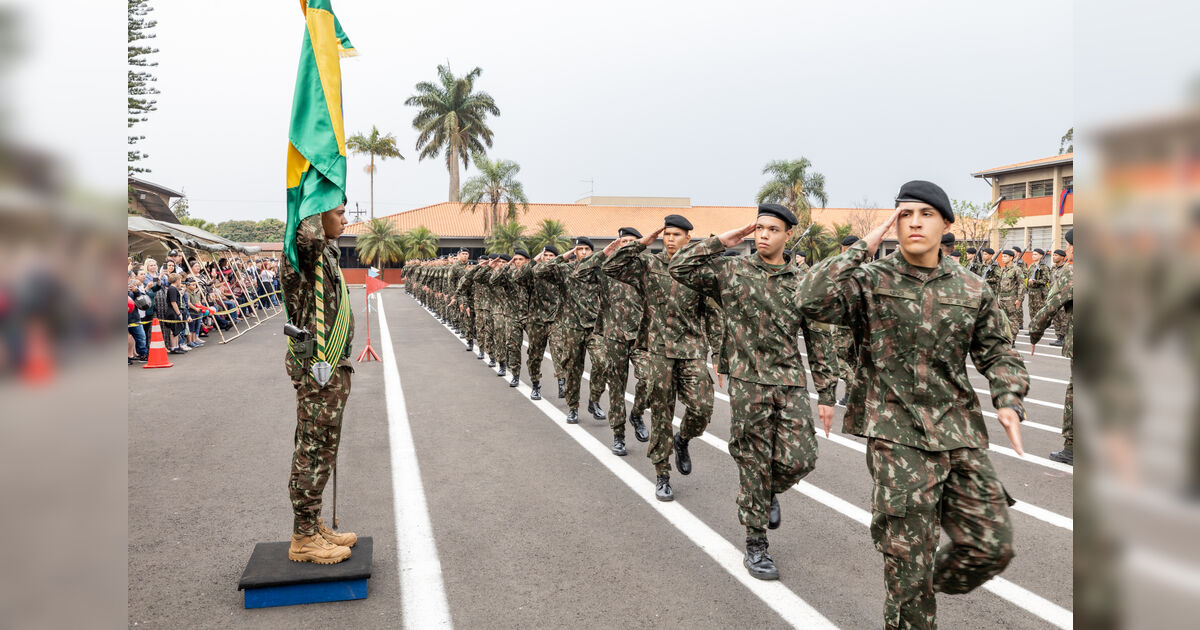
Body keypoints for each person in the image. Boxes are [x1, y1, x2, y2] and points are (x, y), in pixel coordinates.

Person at [795, 180, 1028, 630]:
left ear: (945, 223)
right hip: (895, 433)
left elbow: (998, 350)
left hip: (957, 431)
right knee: (907, 570)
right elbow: (807, 299)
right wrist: (864, 245)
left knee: (991, 545)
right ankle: (911, 587)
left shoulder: (971, 287)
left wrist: (1008, 398)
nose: (915, 222)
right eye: (905, 214)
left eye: (925, 214)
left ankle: (918, 582)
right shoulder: (869, 280)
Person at [669, 203, 836, 580]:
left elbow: (819, 336)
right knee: (753, 461)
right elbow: (678, 266)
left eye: (772, 230)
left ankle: (766, 492)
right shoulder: (732, 270)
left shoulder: (802, 280)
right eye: (759, 228)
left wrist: (827, 393)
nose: (763, 235)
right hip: (748, 381)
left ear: (787, 235)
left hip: (790, 381)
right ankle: (756, 543)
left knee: (802, 458)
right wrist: (721, 241)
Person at [602, 215, 718, 502]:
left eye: (676, 234)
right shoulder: (648, 265)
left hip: (691, 350)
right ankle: (662, 475)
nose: (670, 239)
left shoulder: (698, 269)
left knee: (702, 407)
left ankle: (684, 439)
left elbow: (713, 314)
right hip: (658, 351)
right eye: (666, 234)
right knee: (662, 415)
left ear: (688, 238)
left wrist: (719, 352)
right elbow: (611, 266)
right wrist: (642, 243)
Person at [281, 204, 357, 565]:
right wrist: (317, 191)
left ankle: (313, 524)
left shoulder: (326, 251)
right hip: (316, 366)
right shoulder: (301, 249)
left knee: (324, 449)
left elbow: (323, 239)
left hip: (332, 365)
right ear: (314, 213)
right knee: (312, 451)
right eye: (338, 212)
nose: (346, 219)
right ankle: (303, 537)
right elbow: (309, 235)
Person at [579, 228, 649, 455]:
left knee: (650, 380)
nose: (627, 245)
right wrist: (602, 253)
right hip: (613, 335)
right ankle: (618, 435)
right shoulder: (606, 267)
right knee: (616, 388)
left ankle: (637, 413)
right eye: (623, 242)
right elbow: (579, 274)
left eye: (632, 242)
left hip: (641, 336)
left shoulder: (647, 266)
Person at [534, 237, 607, 424]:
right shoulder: (565, 270)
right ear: (574, 252)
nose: (582, 252)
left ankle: (594, 401)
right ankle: (573, 407)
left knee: (602, 362)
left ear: (591, 252)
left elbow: (607, 295)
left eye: (586, 249)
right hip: (572, 327)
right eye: (578, 249)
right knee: (573, 369)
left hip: (594, 326)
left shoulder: (598, 271)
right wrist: (563, 256)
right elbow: (539, 271)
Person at [1029, 229, 1074, 465]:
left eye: (1068, 245)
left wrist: (1034, 334)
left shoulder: (1072, 271)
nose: (1067, 250)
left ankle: (1072, 448)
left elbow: (1051, 305)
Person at [512, 246, 563, 400]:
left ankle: (562, 382)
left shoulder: (561, 272)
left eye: (551, 255)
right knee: (534, 356)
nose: (547, 258)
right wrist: (534, 261)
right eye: (545, 255)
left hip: (555, 319)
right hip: (536, 321)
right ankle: (535, 385)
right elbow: (517, 277)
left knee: (559, 352)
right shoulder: (533, 272)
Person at [832, 235, 860, 407]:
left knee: (837, 359)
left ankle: (854, 390)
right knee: (853, 361)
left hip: (844, 322)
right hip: (858, 323)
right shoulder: (866, 268)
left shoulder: (846, 269)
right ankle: (851, 395)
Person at [995, 249, 1026, 338]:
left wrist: (1019, 299)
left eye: (1005, 256)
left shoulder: (1017, 269)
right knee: (1003, 319)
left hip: (1011, 298)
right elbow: (999, 284)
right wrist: (997, 297)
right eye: (1002, 256)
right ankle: (1004, 336)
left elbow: (1021, 285)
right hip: (1002, 298)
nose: (1003, 258)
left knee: (1012, 319)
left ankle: (1013, 338)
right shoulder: (1002, 269)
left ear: (1011, 258)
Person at [1049, 248, 1070, 346]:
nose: (1053, 257)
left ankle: (1064, 337)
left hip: (1063, 296)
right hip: (1054, 297)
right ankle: (1059, 337)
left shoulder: (1067, 268)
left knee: (1064, 318)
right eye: (1053, 255)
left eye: (1056, 255)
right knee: (1056, 317)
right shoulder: (1053, 268)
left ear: (1062, 257)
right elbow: (1050, 282)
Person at [1025, 248, 1052, 325]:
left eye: (1035, 254)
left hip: (1039, 293)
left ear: (1041, 256)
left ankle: (1039, 327)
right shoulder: (1031, 266)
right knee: (1031, 310)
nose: (1033, 256)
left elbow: (1045, 280)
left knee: (1039, 311)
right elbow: (1027, 277)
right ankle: (1033, 327)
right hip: (1031, 292)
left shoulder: (1044, 267)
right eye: (1033, 254)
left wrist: (1035, 281)